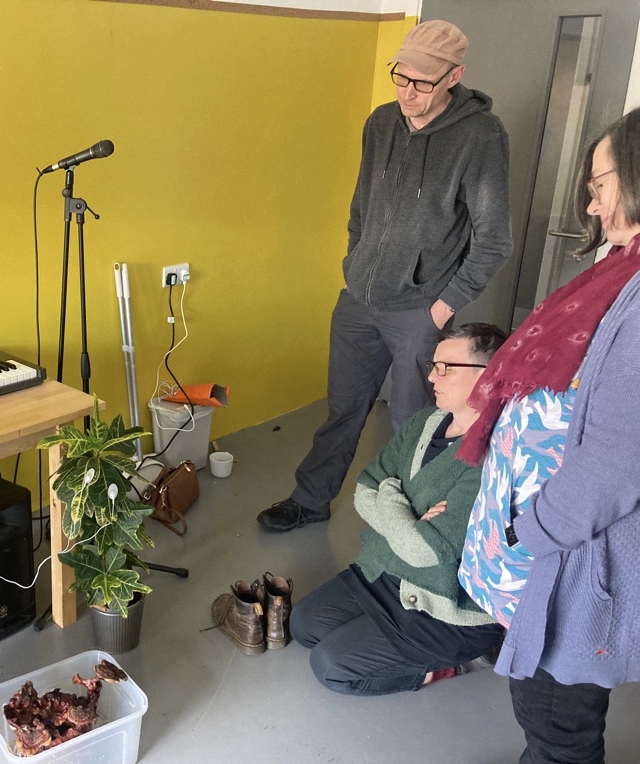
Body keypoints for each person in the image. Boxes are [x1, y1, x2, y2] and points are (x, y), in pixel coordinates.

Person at [259, 20, 512, 532]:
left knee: (415, 423)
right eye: (401, 76)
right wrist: (355, 264)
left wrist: (442, 306)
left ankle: (414, 525)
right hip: (359, 299)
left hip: (419, 309)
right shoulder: (380, 123)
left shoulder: (481, 135)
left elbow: (494, 239)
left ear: (453, 77)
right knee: (343, 410)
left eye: (422, 82)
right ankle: (310, 501)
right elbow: (361, 207)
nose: (407, 91)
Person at [458, 107, 640, 763]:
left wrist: (532, 532)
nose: (591, 206)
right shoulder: (623, 269)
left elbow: (618, 458)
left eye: (599, 185)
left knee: (558, 726)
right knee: (549, 715)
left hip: (572, 557)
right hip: (558, 547)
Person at [289, 323, 507, 695]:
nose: (432, 376)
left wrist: (390, 493)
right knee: (303, 625)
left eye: (446, 367)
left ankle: (455, 663)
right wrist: (407, 514)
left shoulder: (493, 454)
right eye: (433, 365)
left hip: (441, 604)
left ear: (489, 375)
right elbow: (365, 488)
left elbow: (424, 551)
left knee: (330, 667)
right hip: (386, 571)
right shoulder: (425, 421)